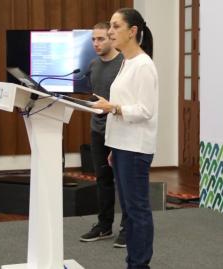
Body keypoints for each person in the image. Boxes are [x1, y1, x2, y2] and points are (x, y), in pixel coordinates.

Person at [92, 8, 158, 269]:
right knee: (130, 212)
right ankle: (134, 262)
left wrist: (113, 108)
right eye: (110, 25)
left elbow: (145, 110)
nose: (110, 31)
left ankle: (140, 265)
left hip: (135, 148)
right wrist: (113, 146)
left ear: (132, 32)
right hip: (122, 146)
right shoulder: (127, 62)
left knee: (137, 211)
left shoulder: (143, 65)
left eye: (116, 26)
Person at [80, 22, 128, 248]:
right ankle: (104, 225)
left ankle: (128, 228)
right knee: (103, 180)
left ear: (111, 38)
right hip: (98, 131)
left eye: (101, 39)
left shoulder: (125, 65)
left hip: (120, 129)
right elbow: (95, 97)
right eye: (93, 40)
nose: (96, 44)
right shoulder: (92, 65)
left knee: (124, 182)